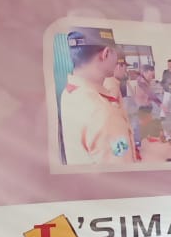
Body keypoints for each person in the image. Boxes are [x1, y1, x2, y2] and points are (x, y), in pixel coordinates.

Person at [58, 27, 136, 165]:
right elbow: (123, 177)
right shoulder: (105, 114)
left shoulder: (70, 92)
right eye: (115, 53)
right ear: (105, 53)